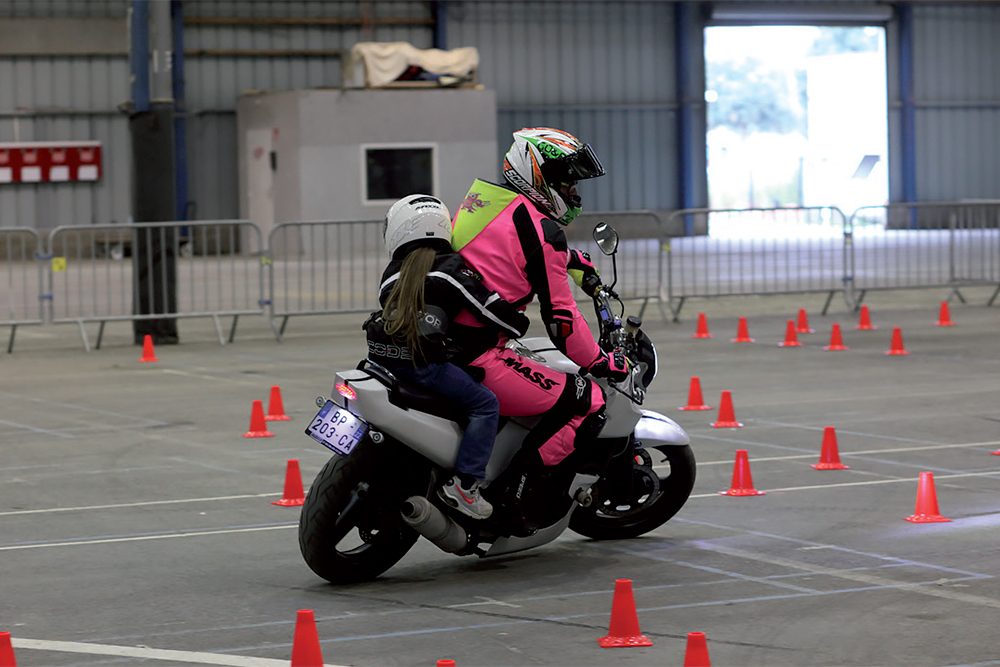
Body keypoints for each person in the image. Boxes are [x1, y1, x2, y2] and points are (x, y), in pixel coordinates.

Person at [449, 127, 629, 471]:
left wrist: (572, 261)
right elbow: (562, 322)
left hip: (442, 338)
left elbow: (503, 249)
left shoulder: (484, 202)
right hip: (477, 352)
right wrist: (600, 363)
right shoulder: (544, 230)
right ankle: (516, 497)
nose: (574, 193)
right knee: (587, 400)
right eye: (568, 183)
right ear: (538, 175)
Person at [364, 194, 531, 520]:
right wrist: (519, 320)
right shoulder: (451, 269)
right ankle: (465, 484)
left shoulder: (391, 273)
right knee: (486, 404)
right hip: (423, 366)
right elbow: (493, 312)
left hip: (382, 360)